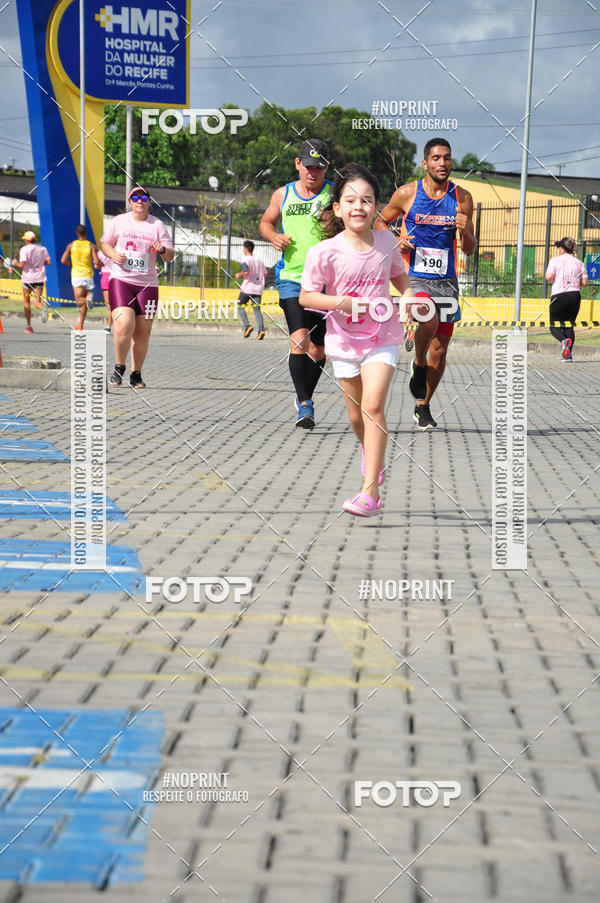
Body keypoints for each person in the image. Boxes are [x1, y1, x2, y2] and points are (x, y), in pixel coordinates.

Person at [300, 163, 417, 517]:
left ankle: (370, 492)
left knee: (374, 407)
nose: (359, 206)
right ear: (337, 208)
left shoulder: (386, 241)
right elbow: (306, 297)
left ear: (376, 206)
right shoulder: (325, 252)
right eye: (351, 200)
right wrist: (342, 303)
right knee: (355, 416)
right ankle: (371, 454)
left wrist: (409, 295)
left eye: (367, 200)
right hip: (344, 339)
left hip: (382, 336)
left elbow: (399, 277)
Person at [374, 138, 476, 429]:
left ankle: (423, 405)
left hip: (447, 280)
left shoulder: (462, 198)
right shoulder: (407, 193)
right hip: (415, 277)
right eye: (435, 158)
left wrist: (465, 231)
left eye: (446, 158)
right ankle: (418, 363)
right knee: (427, 316)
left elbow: (469, 248)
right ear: (425, 163)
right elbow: (380, 223)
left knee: (441, 350)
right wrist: (397, 240)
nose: (442, 163)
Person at [260, 138, 332, 429]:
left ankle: (305, 394)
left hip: (326, 284)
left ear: (327, 168)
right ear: (297, 163)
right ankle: (305, 405)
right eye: (308, 166)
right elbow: (266, 222)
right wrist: (273, 236)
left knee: (318, 350)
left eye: (319, 167)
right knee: (299, 338)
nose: (313, 173)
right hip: (291, 278)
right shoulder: (283, 194)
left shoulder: (335, 195)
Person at [99, 186, 175, 388]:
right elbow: (104, 243)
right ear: (130, 201)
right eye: (135, 197)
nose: (139, 200)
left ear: (149, 202)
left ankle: (136, 373)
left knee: (143, 331)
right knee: (124, 323)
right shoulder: (119, 221)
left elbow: (170, 255)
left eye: (144, 197)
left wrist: (162, 249)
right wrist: (113, 254)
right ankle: (119, 366)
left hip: (148, 285)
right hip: (121, 281)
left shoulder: (157, 225)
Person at [545, 237, 587, 361]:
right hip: (575, 296)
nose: (558, 250)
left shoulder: (555, 261)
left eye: (559, 247)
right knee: (569, 326)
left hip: (559, 294)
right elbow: (584, 282)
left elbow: (549, 276)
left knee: (553, 326)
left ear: (562, 249)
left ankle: (564, 341)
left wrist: (554, 278)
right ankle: (567, 355)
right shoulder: (579, 262)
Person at [61, 224, 101, 331]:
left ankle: (88, 299)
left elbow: (63, 260)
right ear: (86, 233)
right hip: (88, 275)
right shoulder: (91, 246)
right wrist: (100, 264)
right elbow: (96, 261)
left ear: (77, 234)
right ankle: (81, 325)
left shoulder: (71, 245)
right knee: (84, 304)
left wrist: (72, 264)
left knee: (79, 302)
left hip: (77, 275)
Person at [11, 230, 51, 334]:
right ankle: (43, 308)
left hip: (28, 279)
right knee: (37, 302)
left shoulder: (24, 249)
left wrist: (15, 263)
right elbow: (48, 262)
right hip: (39, 278)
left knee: (26, 302)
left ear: (26, 240)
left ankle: (29, 326)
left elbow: (22, 265)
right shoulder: (42, 248)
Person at [234, 240, 266, 340]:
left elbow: (246, 271)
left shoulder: (245, 259)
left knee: (240, 305)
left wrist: (239, 275)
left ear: (245, 248)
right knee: (256, 309)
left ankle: (247, 326)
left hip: (247, 288)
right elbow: (265, 273)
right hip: (258, 288)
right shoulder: (260, 261)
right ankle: (261, 330)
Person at [98, 249, 113, 333]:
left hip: (106, 277)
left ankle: (109, 326)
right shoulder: (120, 249)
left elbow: (96, 265)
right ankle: (109, 325)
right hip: (118, 277)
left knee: (109, 305)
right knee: (117, 304)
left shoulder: (101, 252)